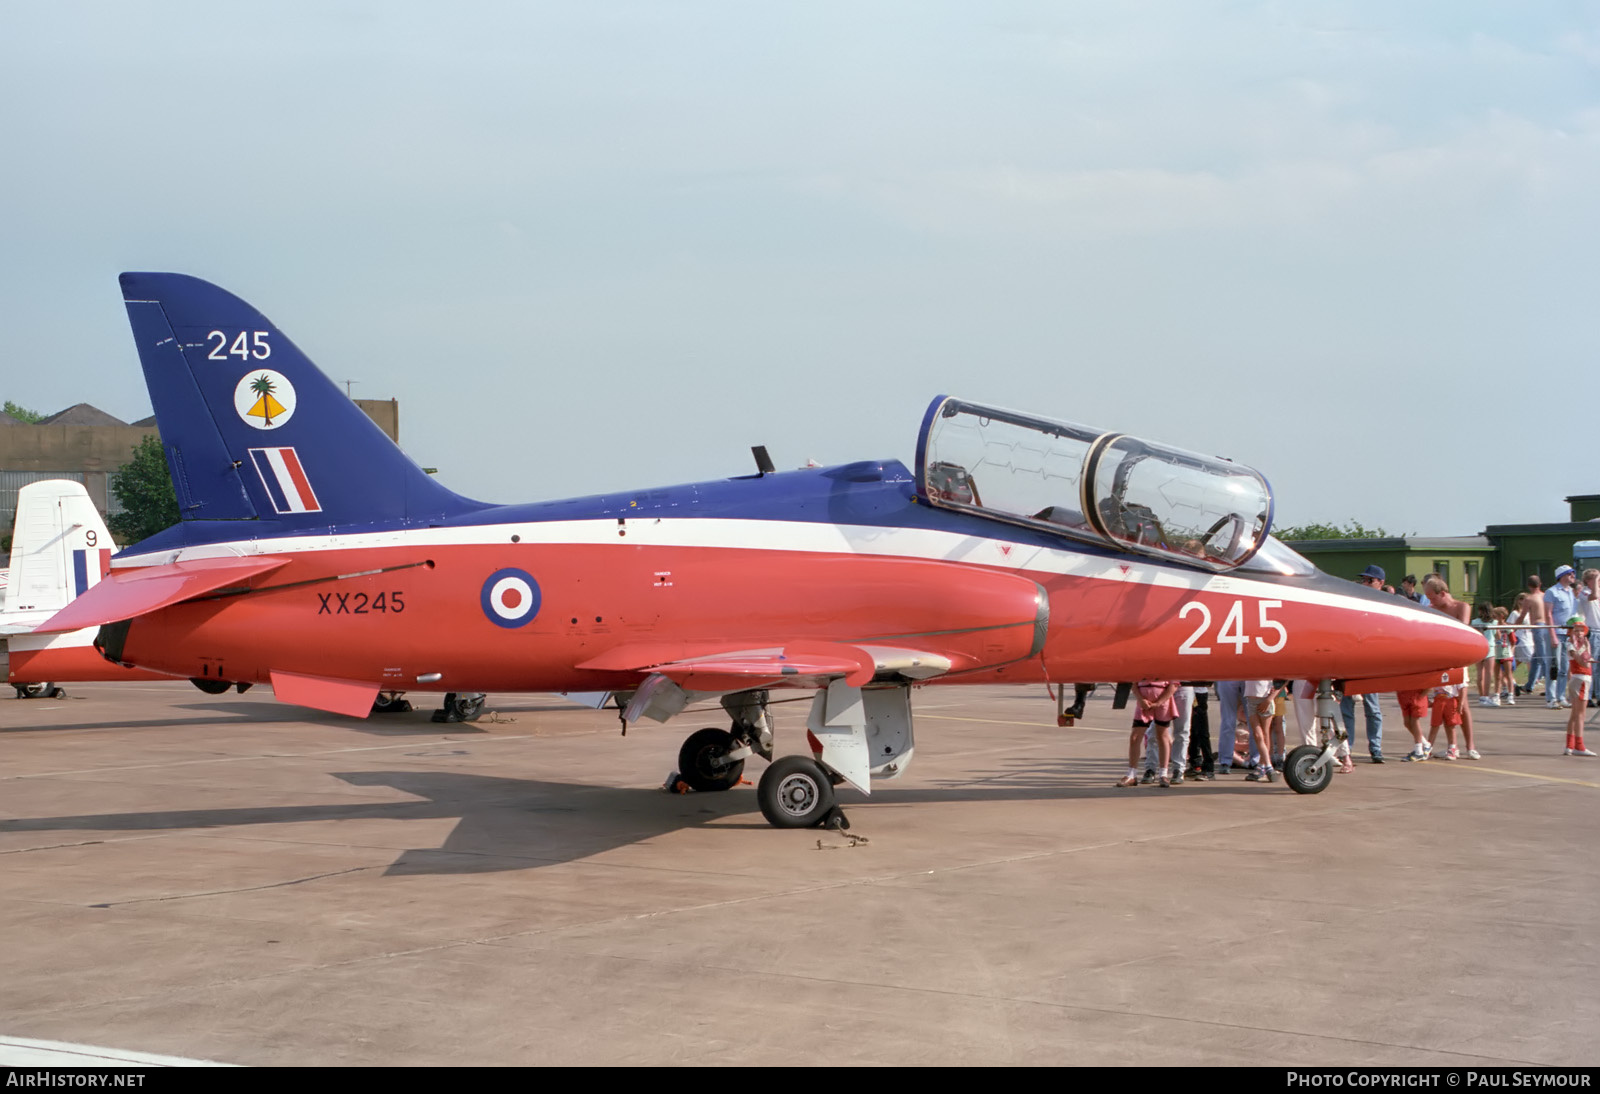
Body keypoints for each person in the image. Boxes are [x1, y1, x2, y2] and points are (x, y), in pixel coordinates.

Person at [1421, 574, 1482, 759]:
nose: (1430, 601)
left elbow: (1461, 630)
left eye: (1432, 597)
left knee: (1462, 704)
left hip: (1458, 659)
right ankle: (1450, 745)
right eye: (1428, 598)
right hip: (1441, 659)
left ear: (1443, 593)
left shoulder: (1462, 607)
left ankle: (1470, 746)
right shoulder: (1432, 609)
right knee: (1443, 702)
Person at [1344, 565, 1387, 763]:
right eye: (1364, 580)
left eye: (1370, 580)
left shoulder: (1387, 605)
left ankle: (1376, 748)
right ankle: (1347, 748)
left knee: (1373, 708)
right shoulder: (1354, 602)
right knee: (1346, 708)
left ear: (1381, 583)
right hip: (1352, 660)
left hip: (1372, 662)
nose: (1366, 584)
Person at [1120, 679, 1178, 787]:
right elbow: (1133, 682)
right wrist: (1140, 699)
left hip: (1162, 698)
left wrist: (1159, 702)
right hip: (1143, 699)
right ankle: (1132, 774)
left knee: (1162, 736)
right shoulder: (1141, 664)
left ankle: (1163, 774)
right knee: (1135, 736)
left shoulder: (1169, 664)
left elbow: (1174, 684)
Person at [1545, 565, 1580, 709]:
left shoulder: (1571, 592)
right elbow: (1548, 614)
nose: (1573, 576)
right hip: (1557, 633)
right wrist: (1552, 635)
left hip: (1568, 633)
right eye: (1570, 574)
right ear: (1562, 576)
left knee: (1565, 668)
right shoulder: (1552, 592)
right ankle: (1551, 698)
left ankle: (1561, 696)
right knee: (1554, 666)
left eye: (1573, 573)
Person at [1563, 617, 1596, 756]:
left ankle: (1569, 745)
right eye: (1576, 630)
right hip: (1580, 679)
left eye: (1581, 630)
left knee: (1574, 715)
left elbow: (1587, 660)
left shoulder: (1583, 643)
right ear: (1570, 632)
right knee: (1580, 715)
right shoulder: (1571, 644)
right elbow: (1583, 663)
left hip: (1582, 679)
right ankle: (1579, 746)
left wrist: (1587, 655)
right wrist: (1587, 657)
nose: (1579, 633)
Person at [1242, 679, 1280, 783]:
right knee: (1258, 735)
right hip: (1250, 700)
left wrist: (1269, 699)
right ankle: (1267, 765)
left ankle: (1262, 766)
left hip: (1264, 699)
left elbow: (1284, 681)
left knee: (1265, 734)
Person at [1523, 575, 1551, 700]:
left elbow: (1522, 615)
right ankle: (1530, 684)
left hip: (1538, 627)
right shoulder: (1546, 596)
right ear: (1540, 584)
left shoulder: (1529, 599)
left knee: (1542, 657)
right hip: (1547, 625)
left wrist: (1513, 626)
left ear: (1529, 586)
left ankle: (1549, 687)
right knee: (1535, 657)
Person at [1509, 592, 1536, 698]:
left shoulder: (1529, 613)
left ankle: (1510, 678)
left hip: (1530, 639)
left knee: (1519, 661)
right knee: (1531, 660)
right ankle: (1531, 683)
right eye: (1523, 599)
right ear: (1519, 600)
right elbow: (1510, 626)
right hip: (1521, 639)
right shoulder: (1515, 613)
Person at [1472, 602, 1497, 706]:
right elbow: (1495, 634)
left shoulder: (1474, 622)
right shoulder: (1495, 622)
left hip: (1478, 647)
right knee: (1488, 673)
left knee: (1480, 673)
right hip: (1489, 647)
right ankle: (1486, 695)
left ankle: (1482, 696)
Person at [1491, 605, 1515, 705]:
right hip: (1496, 653)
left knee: (1508, 675)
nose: (1493, 617)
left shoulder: (1507, 627)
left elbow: (1513, 641)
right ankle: (1497, 695)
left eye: (1495, 616)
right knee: (1497, 676)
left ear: (1501, 616)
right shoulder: (1493, 626)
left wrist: (1511, 652)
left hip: (1506, 653)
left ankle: (1510, 695)